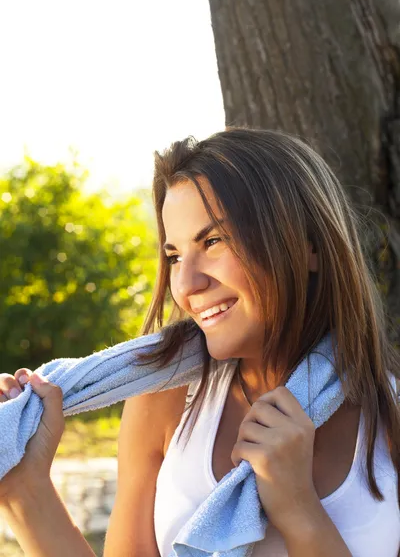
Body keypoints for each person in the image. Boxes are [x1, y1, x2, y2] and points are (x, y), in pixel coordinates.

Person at [0, 128, 399, 557]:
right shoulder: (164, 397)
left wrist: (297, 506)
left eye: (213, 241)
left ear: (310, 247)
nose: (186, 285)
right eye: (174, 257)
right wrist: (23, 491)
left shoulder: (389, 411)